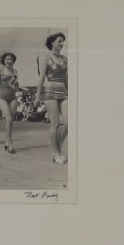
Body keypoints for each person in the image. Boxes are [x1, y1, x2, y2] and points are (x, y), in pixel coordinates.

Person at [41, 31, 69, 164]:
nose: (62, 44)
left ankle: (57, 149)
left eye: (63, 41)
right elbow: (41, 80)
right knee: (55, 123)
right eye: (59, 41)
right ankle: (56, 152)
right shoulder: (47, 58)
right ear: (52, 42)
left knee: (68, 123)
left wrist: (71, 93)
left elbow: (66, 78)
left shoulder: (65, 59)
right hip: (50, 92)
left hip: (63, 92)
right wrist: (37, 97)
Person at [0, 50, 23, 154]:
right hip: (2, 97)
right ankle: (10, 144)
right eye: (7, 59)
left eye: (11, 59)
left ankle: (6, 142)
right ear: (4, 61)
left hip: (13, 97)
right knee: (9, 118)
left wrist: (17, 85)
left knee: (10, 121)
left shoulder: (15, 72)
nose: (9, 61)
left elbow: (14, 85)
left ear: (13, 60)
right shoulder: (0, 71)